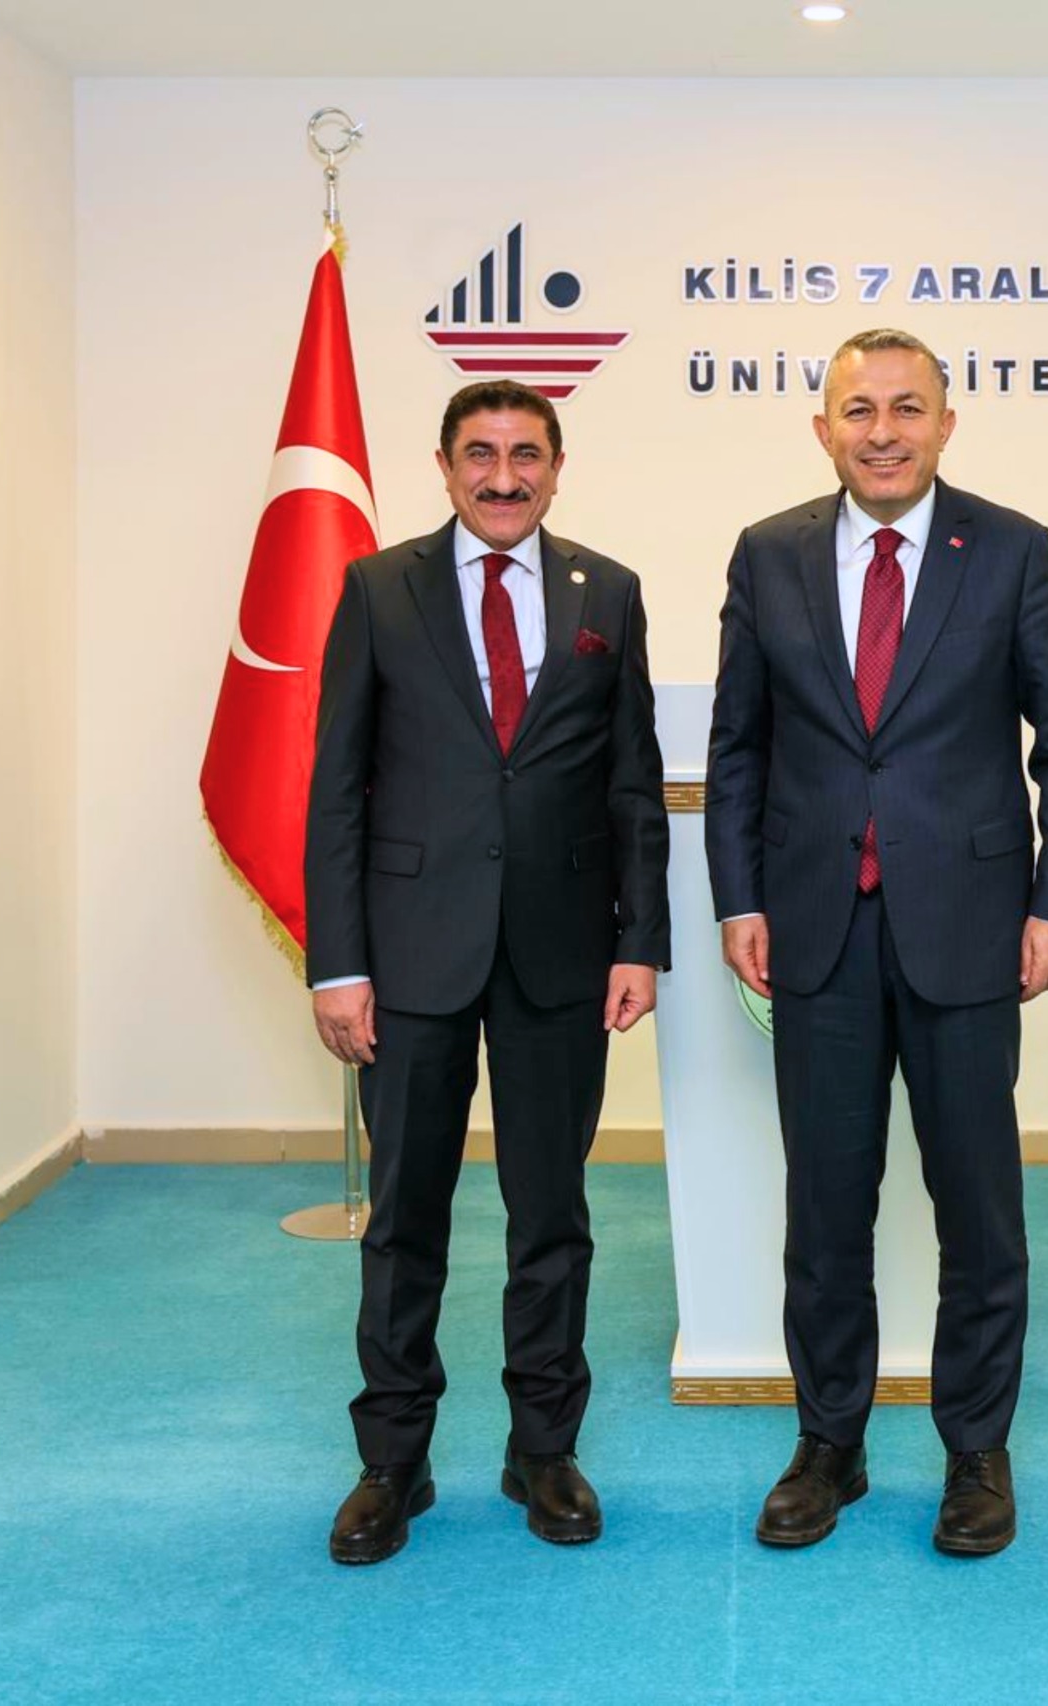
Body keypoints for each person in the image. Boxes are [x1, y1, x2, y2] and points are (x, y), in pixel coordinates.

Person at [704, 329, 1048, 1557]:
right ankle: (829, 1441)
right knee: (825, 1206)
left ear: (946, 421)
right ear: (821, 428)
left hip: (970, 931)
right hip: (815, 929)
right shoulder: (767, 553)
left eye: (907, 408)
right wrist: (737, 898)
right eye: (859, 410)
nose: (883, 431)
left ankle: (976, 1450)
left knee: (978, 1209)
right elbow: (738, 745)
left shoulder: (1015, 549)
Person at [304, 379, 668, 1566]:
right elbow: (335, 788)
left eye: (525, 454)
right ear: (444, 466)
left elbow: (631, 783)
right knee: (404, 1216)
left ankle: (543, 1448)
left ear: (557, 467)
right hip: (408, 954)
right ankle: (391, 1461)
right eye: (479, 453)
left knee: (551, 1214)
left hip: (562, 954)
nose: (502, 475)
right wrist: (338, 962)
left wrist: (638, 938)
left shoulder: (607, 591)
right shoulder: (378, 588)